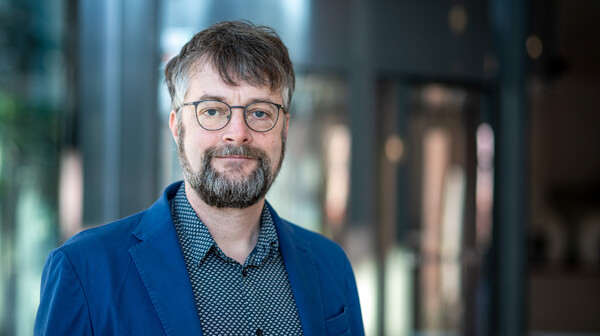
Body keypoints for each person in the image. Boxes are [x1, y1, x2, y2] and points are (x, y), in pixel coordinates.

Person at [34, 21, 364, 335]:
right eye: (212, 111)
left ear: (285, 129)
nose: (238, 133)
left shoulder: (331, 265)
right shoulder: (84, 270)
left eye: (260, 112)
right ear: (177, 127)